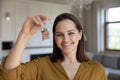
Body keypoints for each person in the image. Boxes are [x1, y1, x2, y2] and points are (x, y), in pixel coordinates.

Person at [0, 13, 107, 80]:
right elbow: (9, 76)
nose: (65, 39)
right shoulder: (41, 65)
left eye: (71, 33)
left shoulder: (97, 70)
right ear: (55, 38)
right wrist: (25, 34)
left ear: (80, 34)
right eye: (59, 34)